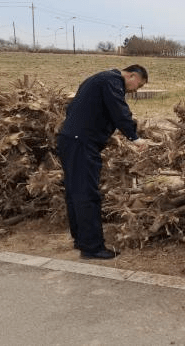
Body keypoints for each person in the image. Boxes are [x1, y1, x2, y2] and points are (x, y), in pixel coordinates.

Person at [56, 65, 148, 259]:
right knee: (87, 194)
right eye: (137, 86)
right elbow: (118, 109)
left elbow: (72, 107)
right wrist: (134, 137)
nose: (133, 91)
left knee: (75, 192)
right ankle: (92, 247)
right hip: (81, 143)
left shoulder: (98, 79)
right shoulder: (112, 82)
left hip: (69, 139)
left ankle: (81, 239)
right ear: (131, 75)